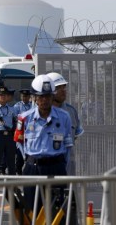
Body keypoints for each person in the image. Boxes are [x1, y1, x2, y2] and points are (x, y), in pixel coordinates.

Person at [14, 74, 73, 220]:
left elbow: (68, 146)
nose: (44, 100)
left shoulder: (64, 117)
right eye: (41, 97)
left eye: (48, 96)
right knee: (32, 212)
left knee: (58, 213)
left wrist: (60, 164)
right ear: (34, 97)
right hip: (32, 169)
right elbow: (19, 142)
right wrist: (29, 160)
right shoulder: (24, 118)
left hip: (56, 167)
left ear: (52, 97)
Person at [47, 72, 84, 174]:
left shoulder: (71, 111)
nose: (63, 91)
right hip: (48, 164)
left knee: (69, 189)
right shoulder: (41, 112)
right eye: (59, 87)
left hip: (68, 164)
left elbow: (75, 135)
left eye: (64, 87)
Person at [13, 89, 32, 175]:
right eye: (23, 96)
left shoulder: (32, 106)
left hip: (30, 133)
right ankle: (18, 171)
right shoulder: (17, 106)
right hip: (20, 132)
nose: (24, 98)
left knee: (29, 155)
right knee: (19, 154)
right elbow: (15, 117)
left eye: (26, 96)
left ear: (29, 97)